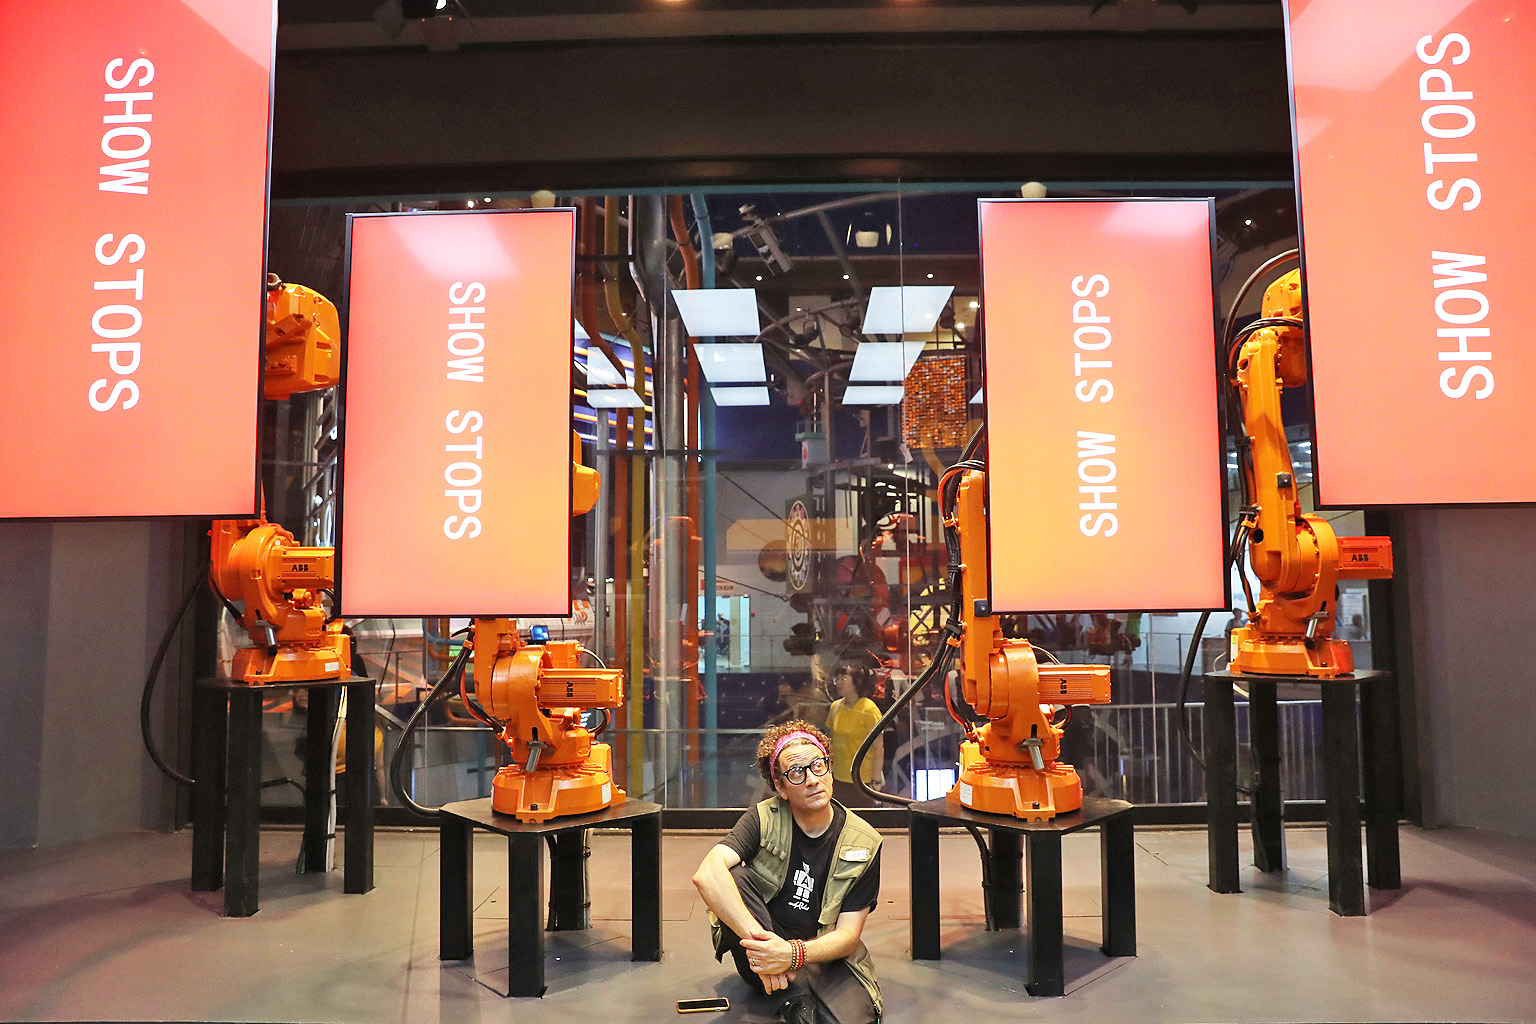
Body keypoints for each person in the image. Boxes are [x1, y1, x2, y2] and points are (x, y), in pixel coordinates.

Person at [692, 721, 883, 1024]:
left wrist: (792, 954)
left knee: (858, 1018)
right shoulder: (762, 818)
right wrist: (770, 952)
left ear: (829, 771)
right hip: (762, 953)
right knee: (732, 875)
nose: (811, 780)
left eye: (818, 766)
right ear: (780, 787)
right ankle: (790, 993)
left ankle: (797, 990)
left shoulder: (864, 841)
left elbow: (847, 936)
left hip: (821, 952)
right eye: (796, 772)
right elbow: (707, 874)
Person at [823, 664, 884, 806]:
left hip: (862, 781)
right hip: (838, 779)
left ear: (857, 682)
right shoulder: (835, 707)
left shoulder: (869, 710)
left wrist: (875, 781)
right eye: (836, 679)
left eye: (843, 678)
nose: (838, 682)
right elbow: (830, 742)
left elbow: (878, 748)